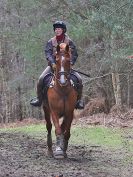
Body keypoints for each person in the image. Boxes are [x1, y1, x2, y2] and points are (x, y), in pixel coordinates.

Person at [30, 21, 84, 109]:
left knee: (79, 79)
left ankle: (78, 101)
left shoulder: (69, 41)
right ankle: (39, 100)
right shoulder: (51, 42)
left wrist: (71, 62)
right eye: (56, 29)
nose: (57, 30)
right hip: (53, 66)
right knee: (40, 79)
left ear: (63, 30)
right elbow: (48, 53)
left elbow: (75, 54)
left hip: (66, 67)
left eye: (59, 29)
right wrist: (52, 63)